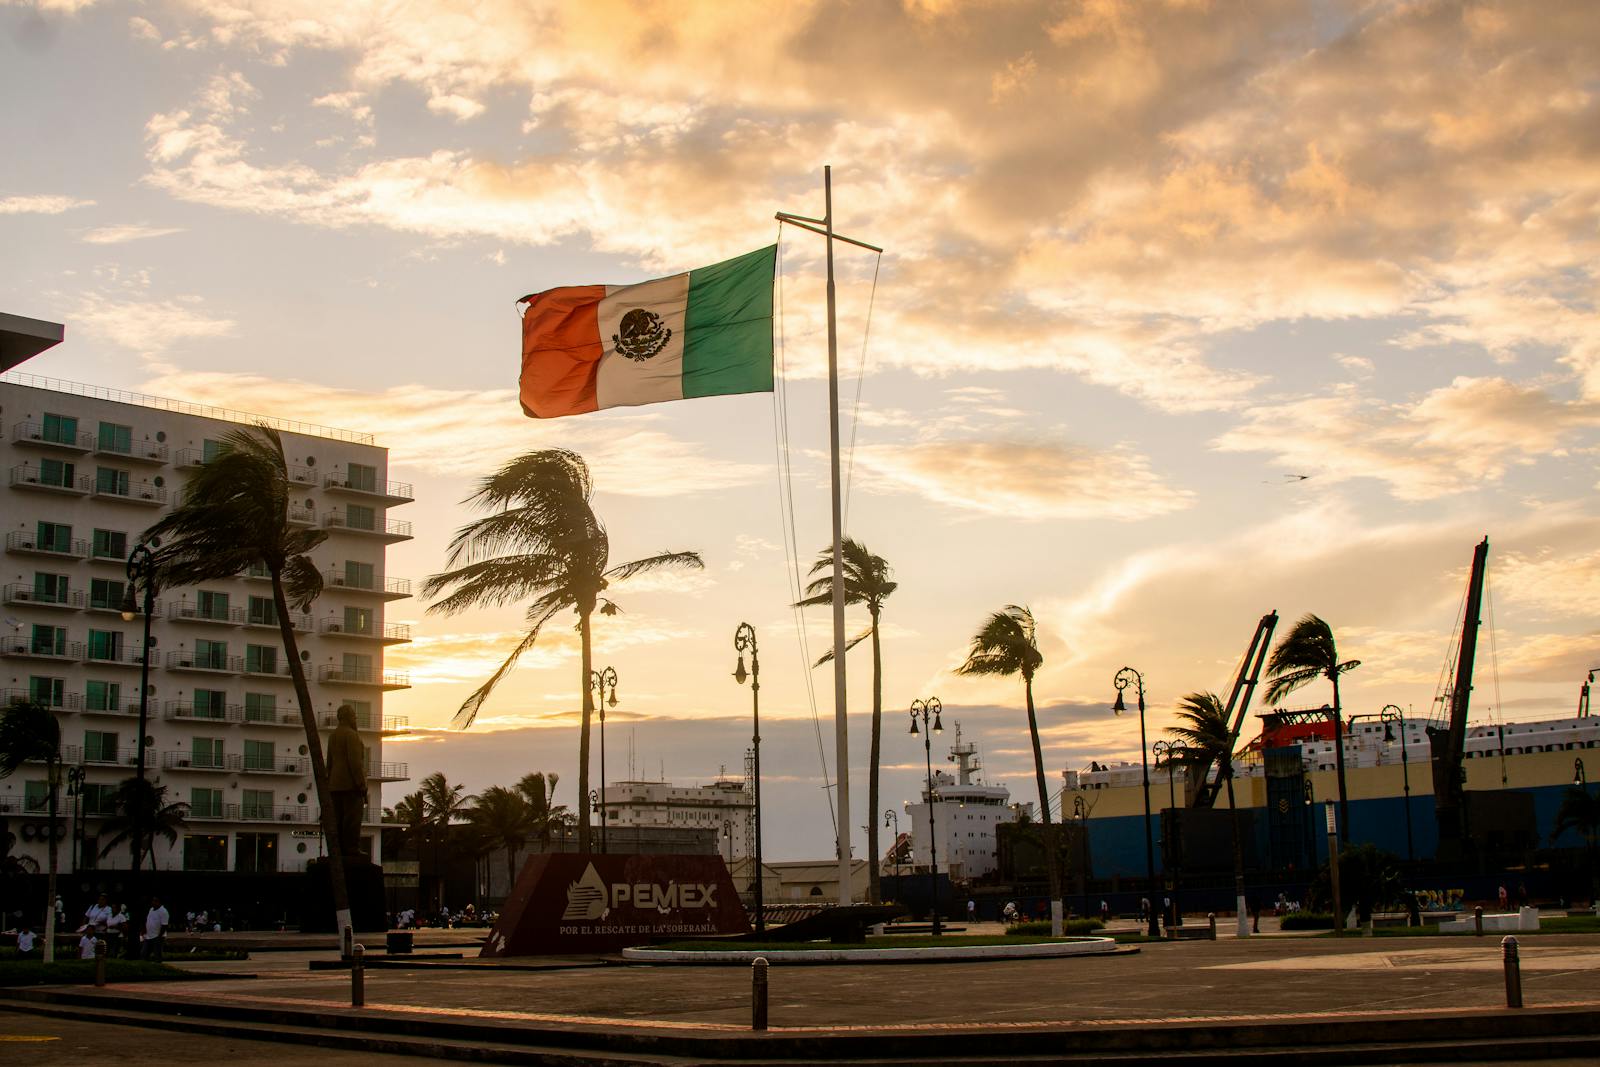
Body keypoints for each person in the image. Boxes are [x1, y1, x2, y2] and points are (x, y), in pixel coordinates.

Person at [327, 703, 368, 860]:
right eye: (353, 716)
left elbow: (329, 763)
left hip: (335, 785)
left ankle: (339, 849)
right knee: (352, 820)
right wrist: (361, 785)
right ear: (349, 717)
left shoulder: (333, 736)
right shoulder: (351, 735)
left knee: (338, 821)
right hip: (350, 785)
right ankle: (351, 849)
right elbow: (355, 763)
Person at [142, 895, 169, 961]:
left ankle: (159, 969)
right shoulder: (151, 909)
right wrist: (144, 929)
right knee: (143, 954)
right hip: (148, 936)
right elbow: (148, 920)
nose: (153, 902)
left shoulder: (163, 911)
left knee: (157, 956)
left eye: (155, 901)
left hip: (157, 937)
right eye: (153, 900)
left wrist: (159, 937)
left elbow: (164, 925)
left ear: (159, 902)